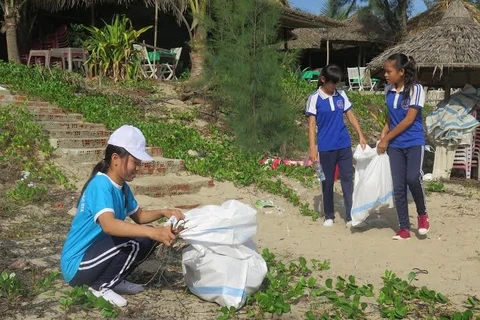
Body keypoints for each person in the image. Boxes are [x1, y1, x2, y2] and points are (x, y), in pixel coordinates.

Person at [60, 125, 185, 307]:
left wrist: (164, 212)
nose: (138, 168)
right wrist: (152, 233)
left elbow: (139, 216)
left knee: (146, 238)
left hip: (97, 257)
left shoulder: (123, 188)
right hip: (78, 265)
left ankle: (114, 279)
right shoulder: (101, 185)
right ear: (116, 159)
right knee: (140, 238)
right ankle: (100, 287)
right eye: (135, 162)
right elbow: (109, 225)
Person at [306, 64, 367, 228]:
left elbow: (350, 116)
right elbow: (311, 125)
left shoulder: (341, 95)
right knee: (327, 181)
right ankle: (329, 215)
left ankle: (350, 216)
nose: (334, 86)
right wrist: (313, 148)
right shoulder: (314, 98)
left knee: (347, 179)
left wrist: (360, 134)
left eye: (337, 83)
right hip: (326, 146)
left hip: (344, 144)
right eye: (331, 83)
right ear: (323, 80)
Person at [377, 53, 430, 240]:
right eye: (385, 71)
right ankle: (404, 228)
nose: (385, 74)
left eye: (388, 71)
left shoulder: (416, 89)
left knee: (413, 178)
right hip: (396, 145)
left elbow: (408, 120)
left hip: (414, 141)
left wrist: (386, 138)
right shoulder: (388, 90)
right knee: (398, 185)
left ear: (400, 72)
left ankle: (422, 215)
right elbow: (391, 117)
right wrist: (383, 134)